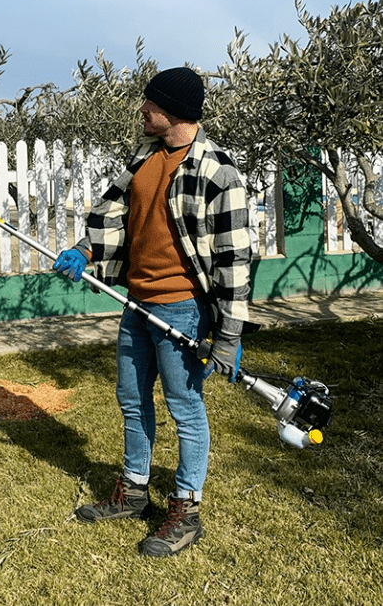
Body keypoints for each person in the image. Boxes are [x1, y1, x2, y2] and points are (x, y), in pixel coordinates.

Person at [53, 67, 252, 558]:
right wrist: (87, 251)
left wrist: (228, 335)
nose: (142, 110)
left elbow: (235, 260)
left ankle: (186, 510)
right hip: (137, 300)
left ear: (172, 111)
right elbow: (113, 216)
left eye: (149, 103)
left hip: (182, 308)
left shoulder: (218, 173)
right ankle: (135, 489)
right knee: (131, 396)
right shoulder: (144, 157)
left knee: (184, 407)